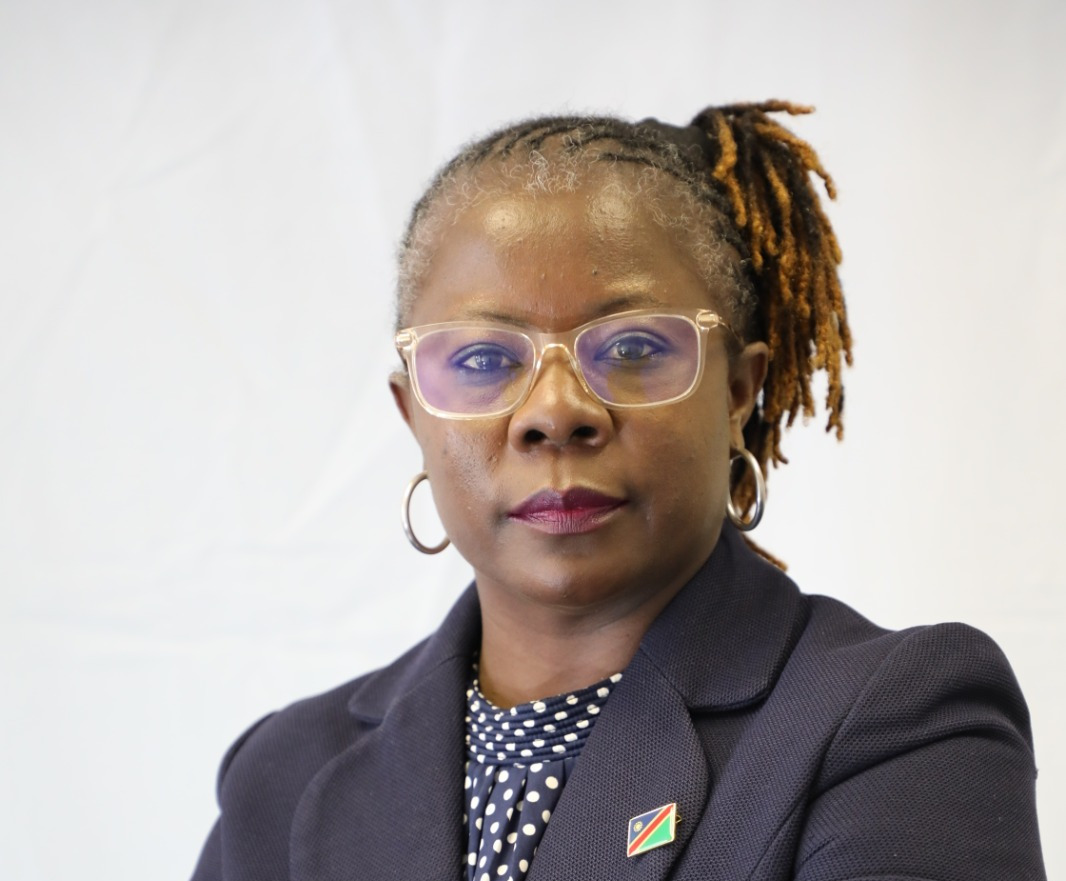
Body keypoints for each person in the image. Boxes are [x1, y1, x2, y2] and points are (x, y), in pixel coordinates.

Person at [190, 102, 1046, 881]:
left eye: (633, 348)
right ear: (414, 412)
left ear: (737, 392)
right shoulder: (283, 776)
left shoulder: (900, 725)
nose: (555, 413)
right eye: (484, 359)